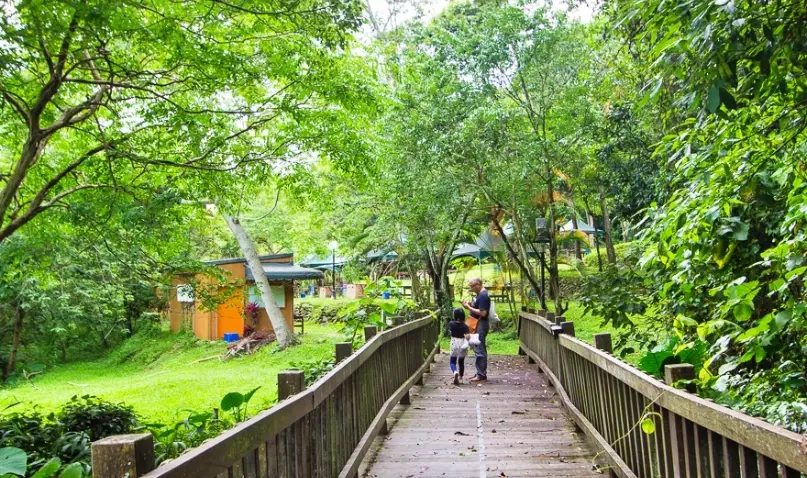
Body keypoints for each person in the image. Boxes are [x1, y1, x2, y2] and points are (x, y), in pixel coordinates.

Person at [462, 277, 490, 382]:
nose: (471, 288)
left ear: (478, 284)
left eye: (472, 286)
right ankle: (479, 372)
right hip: (477, 324)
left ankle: (481, 375)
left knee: (479, 349)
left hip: (480, 324)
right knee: (477, 348)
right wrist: (471, 305)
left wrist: (469, 308)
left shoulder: (483, 296)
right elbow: (478, 308)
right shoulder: (479, 295)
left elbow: (483, 313)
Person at [449, 307, 470, 385]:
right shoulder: (465, 326)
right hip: (462, 345)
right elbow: (467, 336)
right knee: (461, 362)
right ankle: (461, 378)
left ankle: (455, 371)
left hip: (454, 344)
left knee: (452, 361)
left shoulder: (451, 324)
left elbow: (449, 329)